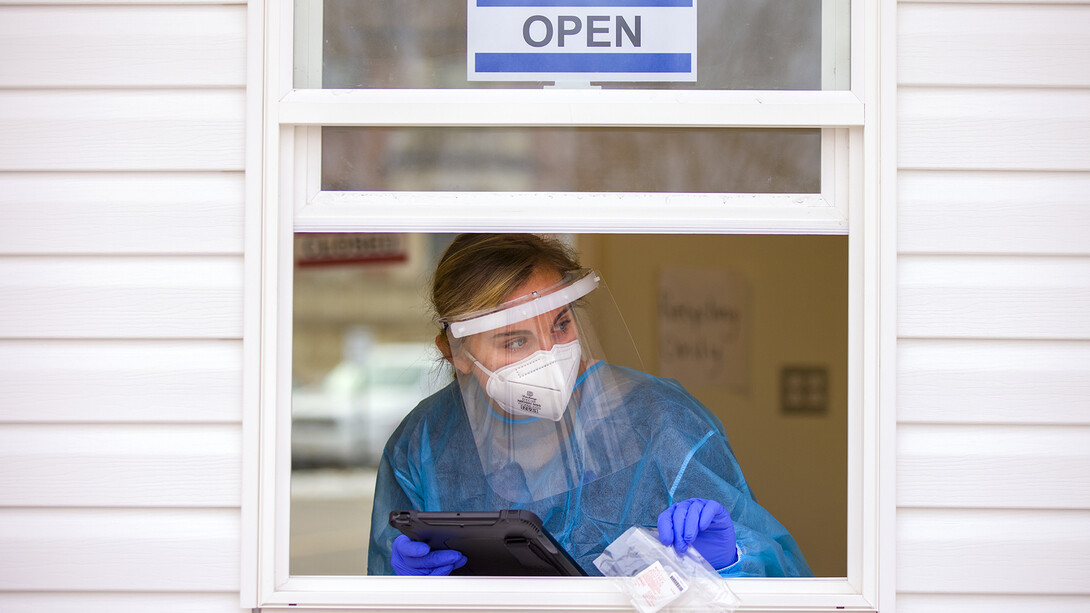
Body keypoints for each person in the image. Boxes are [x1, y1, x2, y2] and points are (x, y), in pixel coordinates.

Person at [367, 233, 811, 578]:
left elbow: (787, 583)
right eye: (515, 340)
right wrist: (408, 589)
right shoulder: (424, 444)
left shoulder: (661, 421)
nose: (551, 355)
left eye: (561, 324)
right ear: (455, 353)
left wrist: (734, 559)